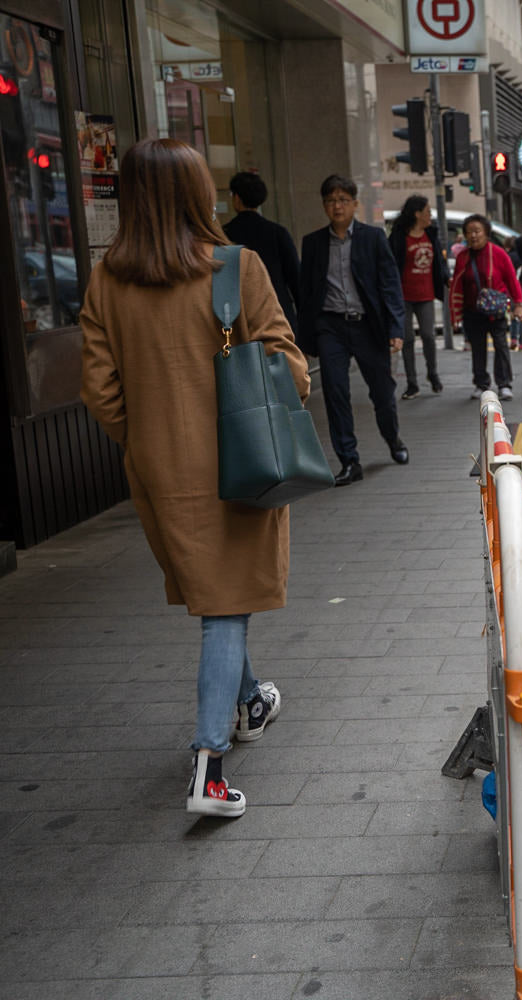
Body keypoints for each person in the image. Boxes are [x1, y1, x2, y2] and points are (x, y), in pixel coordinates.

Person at [79, 138, 304, 818]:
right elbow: (286, 367)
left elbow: (99, 389)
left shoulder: (108, 282)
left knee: (216, 597)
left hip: (159, 469)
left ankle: (251, 699)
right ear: (193, 193)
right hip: (240, 463)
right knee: (224, 608)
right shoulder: (234, 267)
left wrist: (148, 434)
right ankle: (208, 768)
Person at [297, 174, 408, 487]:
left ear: (355, 204)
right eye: (331, 200)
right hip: (330, 327)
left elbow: (390, 284)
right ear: (324, 205)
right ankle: (349, 460)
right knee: (335, 392)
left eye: (343, 200)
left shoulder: (373, 238)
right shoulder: (314, 243)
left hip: (367, 326)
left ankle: (393, 439)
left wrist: (395, 327)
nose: (337, 206)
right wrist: (306, 337)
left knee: (383, 393)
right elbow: (307, 292)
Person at [450, 214, 522, 400]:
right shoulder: (462, 257)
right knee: (478, 349)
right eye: (469, 232)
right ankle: (481, 384)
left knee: (500, 346)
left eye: (477, 231)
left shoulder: (498, 253)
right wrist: (455, 314)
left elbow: (512, 280)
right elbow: (457, 285)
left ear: (486, 233)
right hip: (471, 311)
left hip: (495, 311)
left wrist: (518, 305)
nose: (473, 236)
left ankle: (504, 384)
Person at [223, 171, 300, 335]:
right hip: (278, 310)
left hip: (240, 314)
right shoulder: (277, 232)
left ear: (236, 198)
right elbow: (295, 277)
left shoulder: (225, 234)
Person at [387, 195, 449, 399]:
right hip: (403, 296)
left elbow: (438, 260)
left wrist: (445, 278)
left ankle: (433, 374)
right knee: (408, 339)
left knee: (429, 336)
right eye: (427, 212)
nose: (430, 215)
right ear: (417, 214)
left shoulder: (431, 234)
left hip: (426, 294)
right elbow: (390, 265)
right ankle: (412, 383)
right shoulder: (398, 236)